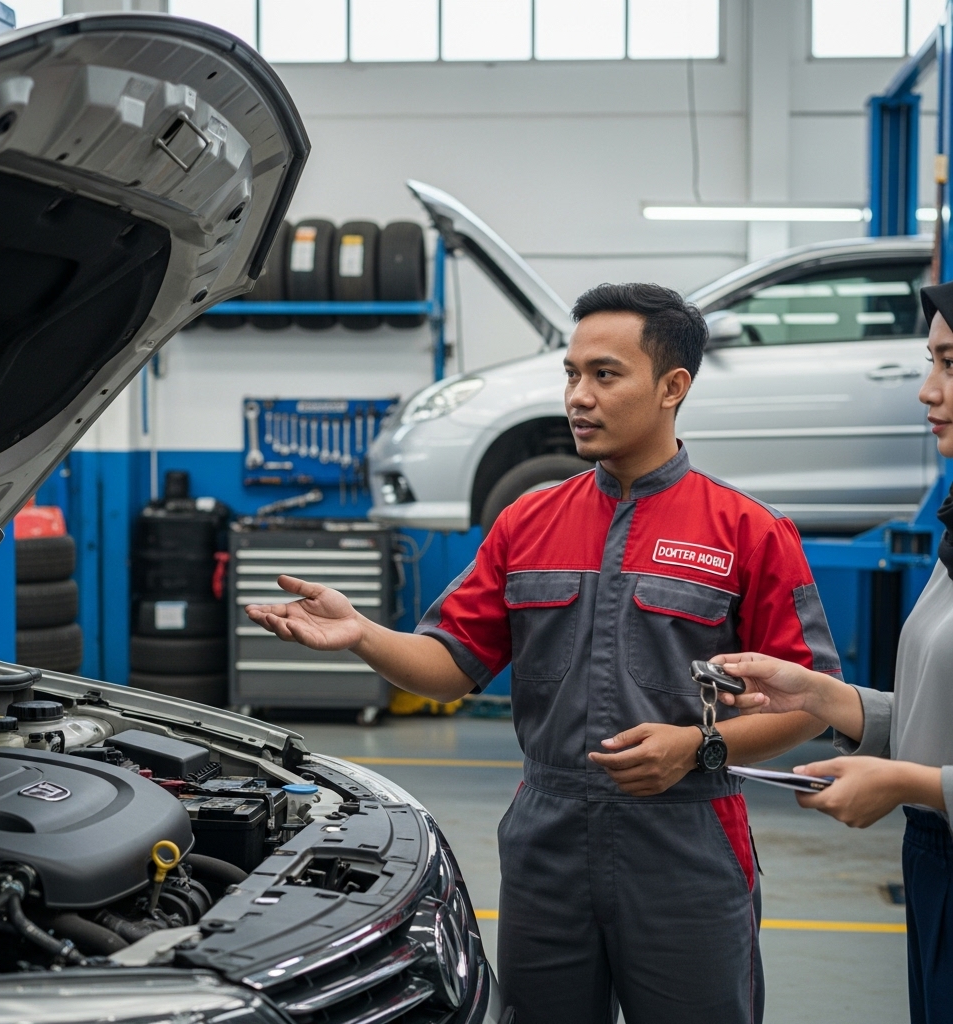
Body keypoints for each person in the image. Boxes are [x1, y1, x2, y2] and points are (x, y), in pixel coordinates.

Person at [246, 283, 842, 1024]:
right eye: (572, 373)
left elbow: (812, 703)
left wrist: (698, 748)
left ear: (673, 387)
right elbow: (450, 668)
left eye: (605, 374)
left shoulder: (747, 531)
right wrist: (362, 633)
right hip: (548, 841)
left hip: (686, 840)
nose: (578, 397)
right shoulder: (527, 521)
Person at [712, 280, 953, 1024]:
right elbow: (939, 713)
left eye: (949, 364)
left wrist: (913, 783)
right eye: (931, 362)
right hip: (937, 856)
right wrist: (823, 698)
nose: (926, 390)